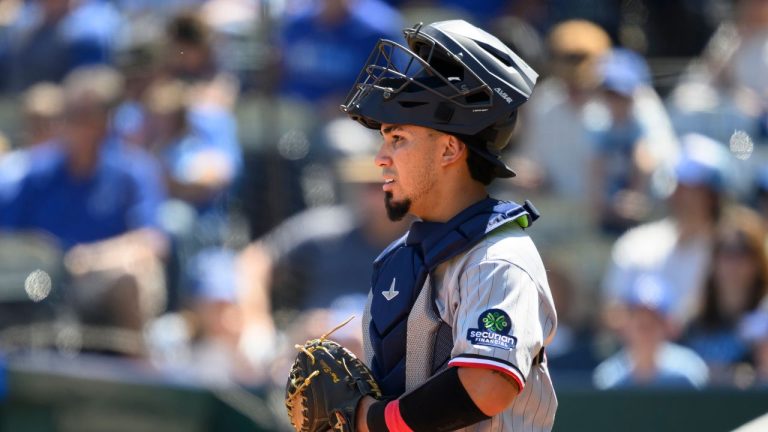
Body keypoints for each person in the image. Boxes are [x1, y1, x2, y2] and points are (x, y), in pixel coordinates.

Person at [340, 20, 557, 431]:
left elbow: (486, 386)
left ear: (449, 149)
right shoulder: (403, 257)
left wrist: (369, 420)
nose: (381, 158)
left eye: (398, 138)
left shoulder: (498, 259)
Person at [684, 205, 768, 384]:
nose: (734, 263)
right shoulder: (693, 323)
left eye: (744, 252)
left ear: (758, 262)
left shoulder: (765, 320)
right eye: (726, 251)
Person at [593, 274, 709, 389]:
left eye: (654, 322)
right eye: (640, 323)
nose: (646, 331)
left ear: (667, 326)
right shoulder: (609, 379)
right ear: (627, 325)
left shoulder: (689, 372)